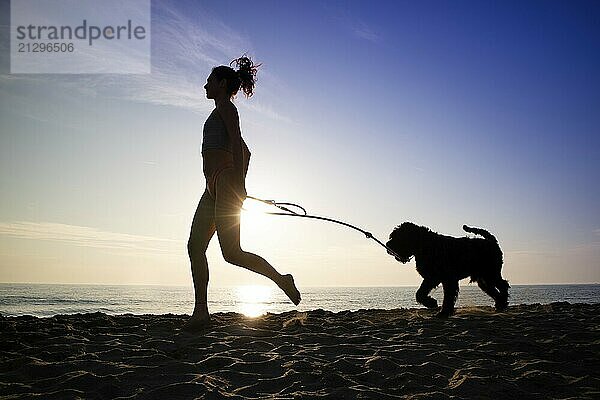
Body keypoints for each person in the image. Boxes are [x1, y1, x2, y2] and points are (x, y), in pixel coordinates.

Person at [185, 56, 301, 329]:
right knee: (195, 247)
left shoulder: (226, 108)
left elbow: (238, 145)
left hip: (224, 182)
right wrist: (237, 180)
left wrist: (237, 183)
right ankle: (201, 312)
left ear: (222, 84)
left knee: (232, 253)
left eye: (210, 81)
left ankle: (282, 280)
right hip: (212, 186)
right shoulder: (218, 111)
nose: (205, 85)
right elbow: (246, 152)